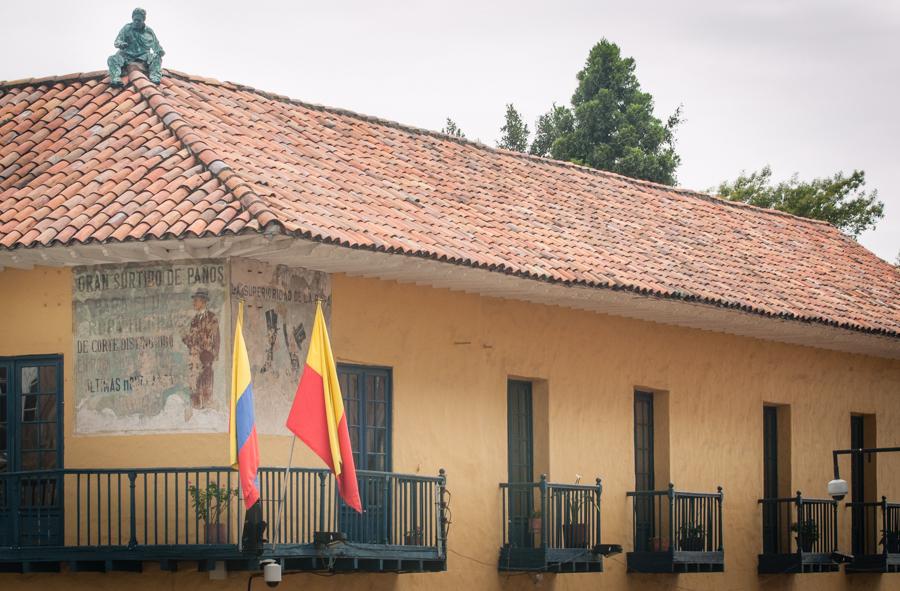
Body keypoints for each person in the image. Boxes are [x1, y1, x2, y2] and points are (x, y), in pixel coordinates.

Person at [182, 289, 220, 409]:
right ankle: (196, 406)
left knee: (206, 382)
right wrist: (184, 337)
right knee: (194, 383)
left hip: (207, 355)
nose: (194, 303)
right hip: (195, 356)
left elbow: (216, 336)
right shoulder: (194, 320)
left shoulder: (211, 317)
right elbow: (191, 341)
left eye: (196, 300)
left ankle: (207, 406)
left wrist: (214, 353)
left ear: (203, 302)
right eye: (194, 300)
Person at [107, 8, 165, 86]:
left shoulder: (149, 31)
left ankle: (155, 77)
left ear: (143, 20)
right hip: (126, 56)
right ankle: (115, 79)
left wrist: (160, 51)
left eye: (139, 20)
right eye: (135, 20)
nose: (136, 22)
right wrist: (121, 44)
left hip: (144, 56)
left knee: (156, 58)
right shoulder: (126, 28)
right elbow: (117, 42)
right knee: (112, 59)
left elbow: (156, 46)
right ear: (132, 19)